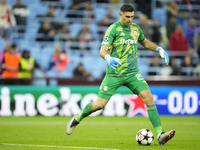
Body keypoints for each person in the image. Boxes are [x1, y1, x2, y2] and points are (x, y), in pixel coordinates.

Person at [67, 4, 175, 145]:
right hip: (114, 74)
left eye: (132, 17)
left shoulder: (136, 29)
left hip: (132, 73)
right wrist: (108, 58)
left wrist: (159, 49)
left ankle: (160, 134)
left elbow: (145, 42)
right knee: (99, 105)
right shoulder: (113, 29)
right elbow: (102, 50)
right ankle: (78, 118)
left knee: (148, 97)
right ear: (120, 15)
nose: (130, 19)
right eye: (127, 17)